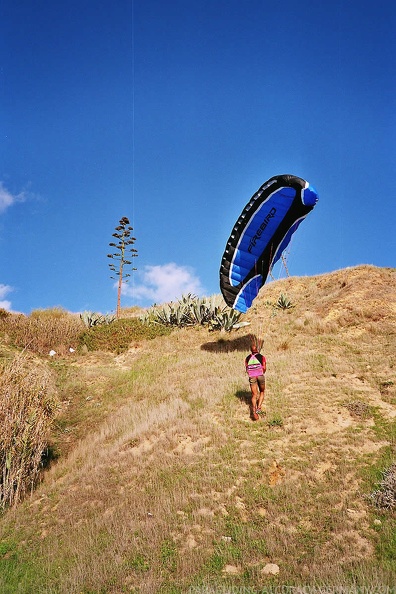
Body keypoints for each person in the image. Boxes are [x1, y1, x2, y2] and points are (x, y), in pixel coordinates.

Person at [245, 343, 266, 421]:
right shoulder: (262, 357)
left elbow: (247, 369)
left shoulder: (247, 358)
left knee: (254, 394)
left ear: (250, 350)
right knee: (262, 391)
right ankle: (259, 408)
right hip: (260, 375)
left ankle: (253, 411)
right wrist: (260, 372)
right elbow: (264, 368)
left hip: (252, 377)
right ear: (257, 349)